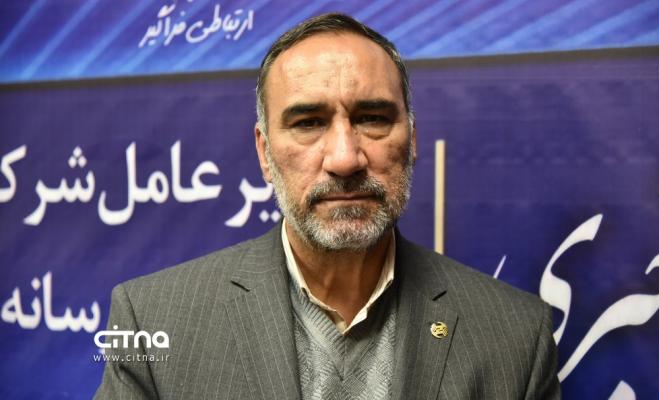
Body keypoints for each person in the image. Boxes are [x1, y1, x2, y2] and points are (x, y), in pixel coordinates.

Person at [95, 13, 560, 399]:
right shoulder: (153, 320)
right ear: (265, 153)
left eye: (372, 118)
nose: (344, 159)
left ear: (413, 140)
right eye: (309, 123)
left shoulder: (515, 338)